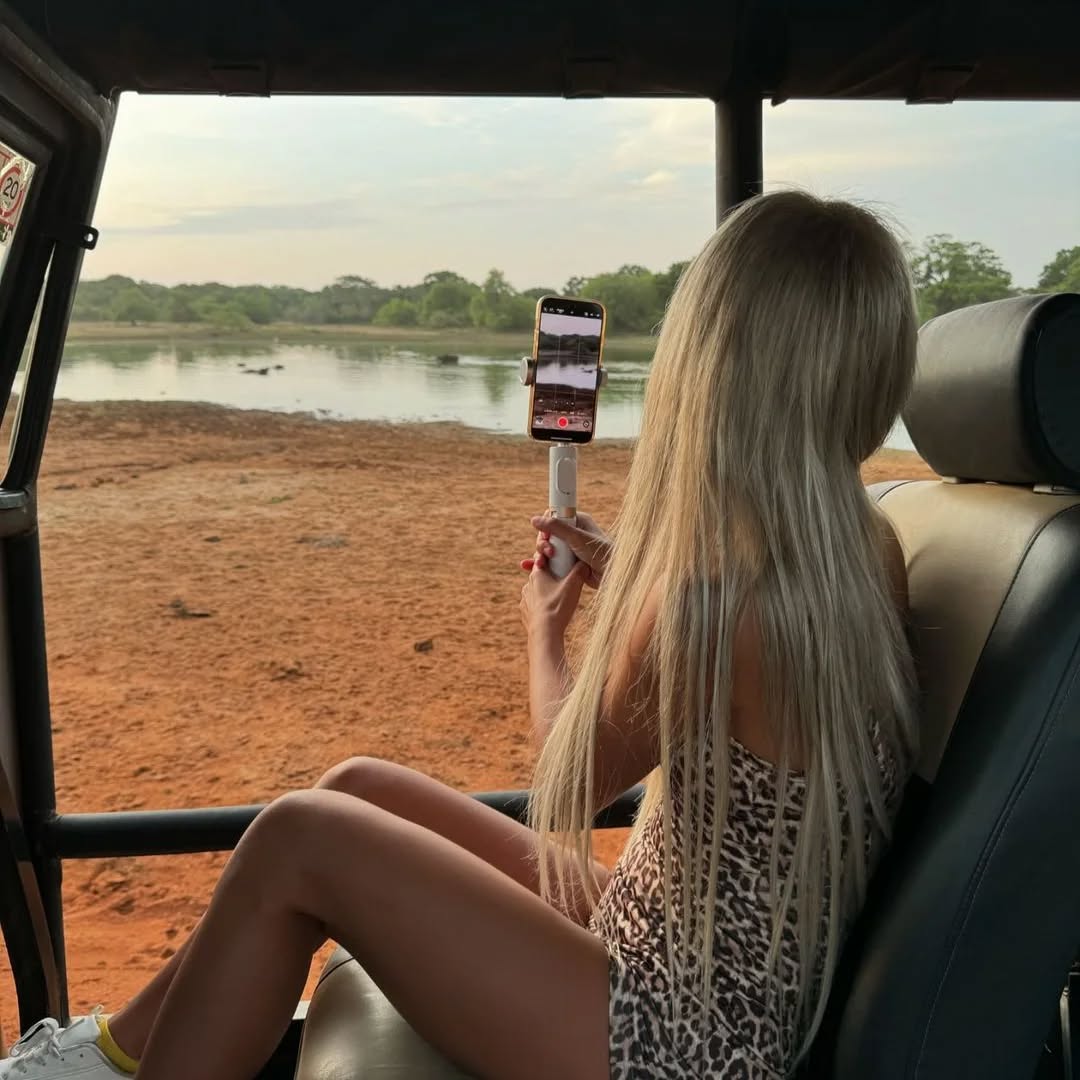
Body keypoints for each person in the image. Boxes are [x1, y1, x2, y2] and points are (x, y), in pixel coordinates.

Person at [0, 190, 918, 1080]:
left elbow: (566, 784)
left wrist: (546, 632)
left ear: (709, 363)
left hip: (679, 1037)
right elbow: (741, 691)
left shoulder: (711, 603)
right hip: (711, 960)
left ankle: (109, 1067)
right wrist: (632, 570)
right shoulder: (864, 545)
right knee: (357, 787)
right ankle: (111, 1056)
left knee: (299, 837)